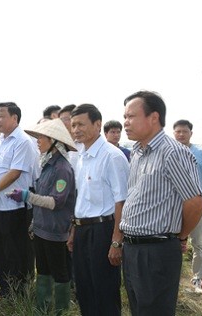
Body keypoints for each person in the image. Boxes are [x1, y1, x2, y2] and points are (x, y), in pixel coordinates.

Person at [121, 90, 202, 315]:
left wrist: (180, 235)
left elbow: (195, 202)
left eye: (131, 116)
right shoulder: (137, 153)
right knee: (139, 308)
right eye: (124, 117)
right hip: (133, 249)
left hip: (156, 251)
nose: (125, 122)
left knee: (154, 310)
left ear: (154, 117)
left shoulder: (172, 152)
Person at [7, 118, 77, 314]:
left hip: (55, 231)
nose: (37, 140)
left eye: (41, 137)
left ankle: (61, 311)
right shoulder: (47, 165)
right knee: (43, 271)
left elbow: (55, 202)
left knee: (60, 273)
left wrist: (27, 196)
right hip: (41, 228)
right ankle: (42, 309)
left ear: (54, 141)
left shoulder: (62, 169)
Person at [67, 104, 129, 316]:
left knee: (104, 291)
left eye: (81, 124)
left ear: (97, 124)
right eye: (73, 125)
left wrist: (116, 241)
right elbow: (82, 198)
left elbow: (122, 201)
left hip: (105, 230)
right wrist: (74, 231)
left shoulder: (112, 156)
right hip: (83, 230)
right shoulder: (82, 156)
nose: (76, 129)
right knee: (84, 288)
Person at [0, 102, 38, 299]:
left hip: (13, 207)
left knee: (14, 252)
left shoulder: (23, 141)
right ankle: (4, 290)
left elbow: (14, 173)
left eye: (2, 116)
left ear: (14, 118)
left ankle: (19, 292)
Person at [173, 119, 202, 293]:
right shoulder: (170, 152)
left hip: (197, 207)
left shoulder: (201, 153)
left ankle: (198, 279)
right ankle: (173, 280)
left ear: (190, 133)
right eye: (178, 131)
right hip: (173, 207)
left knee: (199, 243)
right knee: (172, 244)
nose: (181, 134)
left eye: (184, 131)